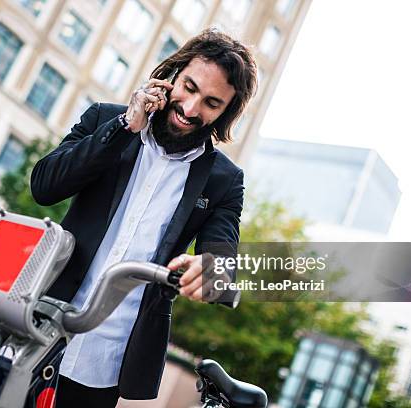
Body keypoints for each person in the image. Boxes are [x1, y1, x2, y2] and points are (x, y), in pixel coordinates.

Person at [30, 28, 258, 407]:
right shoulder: (106, 119)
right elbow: (44, 186)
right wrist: (124, 129)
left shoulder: (224, 181)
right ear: (172, 74)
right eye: (189, 87)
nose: (191, 108)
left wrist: (209, 270)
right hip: (37, 324)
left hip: (107, 362)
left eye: (212, 103)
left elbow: (223, 267)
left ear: (225, 113)